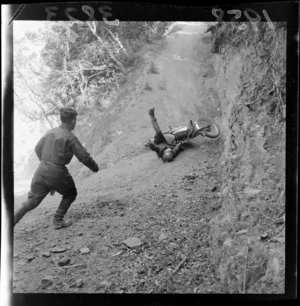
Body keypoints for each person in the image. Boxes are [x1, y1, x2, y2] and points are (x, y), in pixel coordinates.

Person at [14, 108, 99, 229]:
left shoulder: (49, 132)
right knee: (71, 194)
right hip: (57, 172)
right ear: (73, 120)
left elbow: (37, 148)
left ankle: (11, 221)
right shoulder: (70, 137)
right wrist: (95, 168)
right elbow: (84, 157)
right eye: (75, 120)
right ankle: (58, 219)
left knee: (32, 200)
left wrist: (45, 162)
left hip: (41, 170)